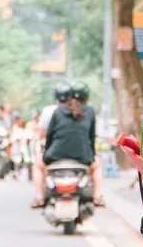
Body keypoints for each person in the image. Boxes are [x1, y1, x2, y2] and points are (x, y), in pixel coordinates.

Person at [33, 80, 104, 208]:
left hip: (56, 155)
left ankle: (39, 197)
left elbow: (50, 136)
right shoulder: (90, 112)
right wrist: (91, 155)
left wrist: (47, 152)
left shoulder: (58, 111)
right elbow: (91, 137)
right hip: (83, 156)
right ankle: (98, 196)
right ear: (87, 97)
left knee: (38, 165)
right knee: (97, 165)